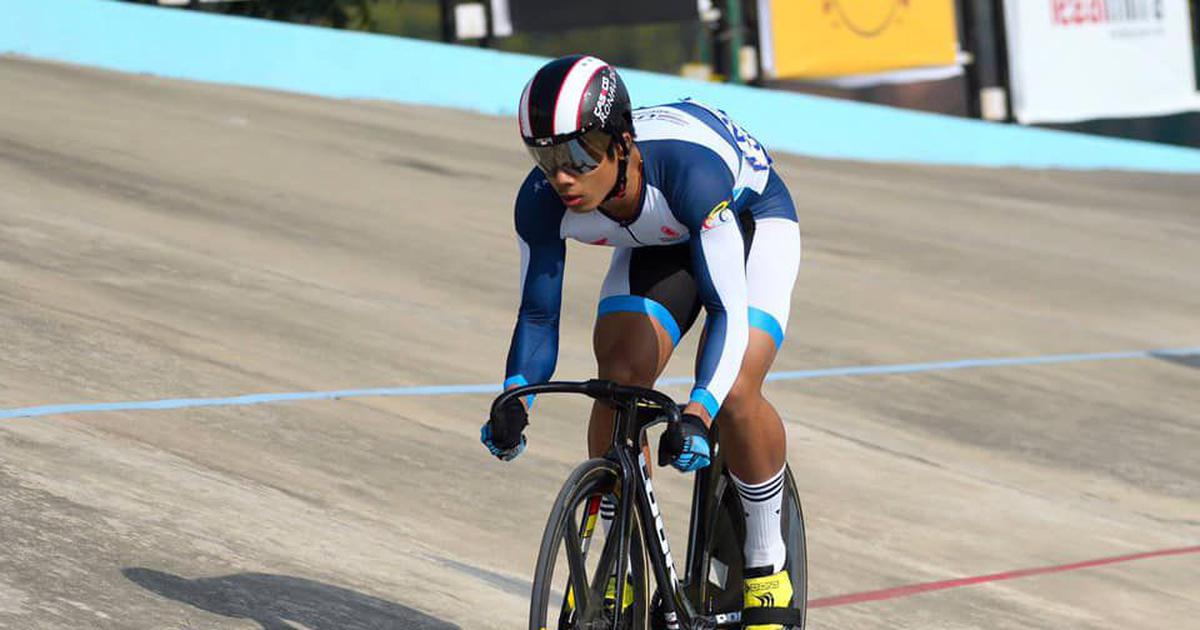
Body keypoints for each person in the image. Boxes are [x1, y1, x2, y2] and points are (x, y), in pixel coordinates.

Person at [481, 54, 802, 629]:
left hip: (748, 221)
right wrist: (515, 399)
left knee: (734, 393)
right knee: (618, 383)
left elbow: (727, 311)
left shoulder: (691, 175)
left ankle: (765, 564)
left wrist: (698, 413)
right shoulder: (540, 201)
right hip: (658, 233)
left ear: (622, 143)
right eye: (546, 156)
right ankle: (619, 566)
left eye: (578, 154)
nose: (562, 176)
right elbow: (536, 314)